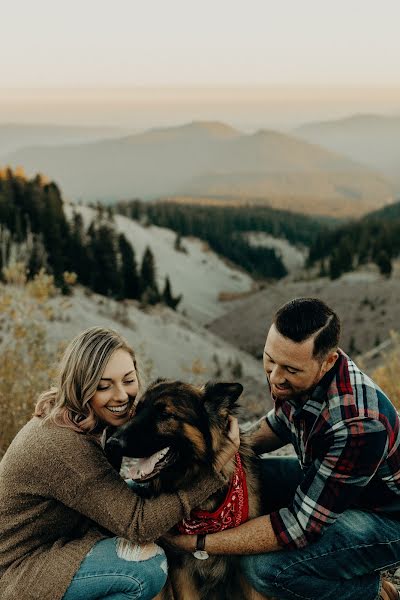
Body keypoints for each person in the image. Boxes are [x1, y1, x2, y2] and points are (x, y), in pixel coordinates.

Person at [165, 298, 400, 600]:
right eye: (269, 359)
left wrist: (199, 543)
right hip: (335, 489)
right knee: (251, 472)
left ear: (327, 361)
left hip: (383, 518)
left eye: (289, 368)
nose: (275, 377)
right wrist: (227, 450)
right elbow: (278, 424)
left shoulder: (360, 424)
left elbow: (300, 526)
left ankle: (370, 590)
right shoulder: (304, 377)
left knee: (264, 569)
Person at [0, 326, 239, 600]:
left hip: (55, 543)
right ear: (82, 387)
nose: (122, 396)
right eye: (104, 386)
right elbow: (138, 525)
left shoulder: (81, 418)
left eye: (128, 380)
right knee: (146, 566)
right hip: (18, 572)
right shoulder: (64, 446)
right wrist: (216, 469)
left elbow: (114, 495)